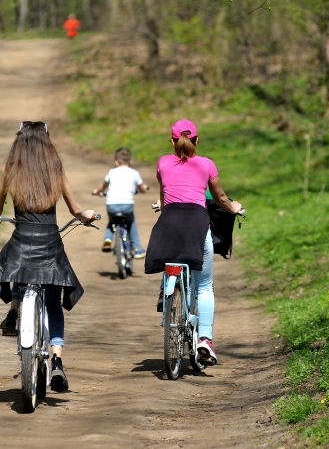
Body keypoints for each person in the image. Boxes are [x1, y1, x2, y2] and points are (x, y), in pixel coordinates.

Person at [0, 120, 96, 392]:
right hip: (49, 242)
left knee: (12, 265)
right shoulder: (55, 169)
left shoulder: (10, 168)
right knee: (53, 301)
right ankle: (57, 360)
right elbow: (75, 209)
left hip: (23, 239)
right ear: (47, 141)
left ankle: (14, 310)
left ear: (18, 141)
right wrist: (86, 216)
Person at [144, 119, 242, 366]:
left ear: (172, 141)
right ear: (196, 140)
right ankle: (205, 340)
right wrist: (234, 209)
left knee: (171, 262)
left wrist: (163, 205)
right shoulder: (206, 164)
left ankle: (167, 291)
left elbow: (165, 194)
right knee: (205, 285)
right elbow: (219, 197)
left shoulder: (163, 163)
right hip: (197, 226)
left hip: (168, 224)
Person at [92, 147, 149, 259]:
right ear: (131, 161)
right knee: (131, 223)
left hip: (111, 205)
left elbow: (102, 187)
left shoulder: (111, 172)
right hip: (127, 206)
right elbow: (142, 189)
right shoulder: (134, 173)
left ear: (116, 162)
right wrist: (144, 189)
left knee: (112, 221)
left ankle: (107, 239)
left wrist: (97, 192)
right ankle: (137, 249)